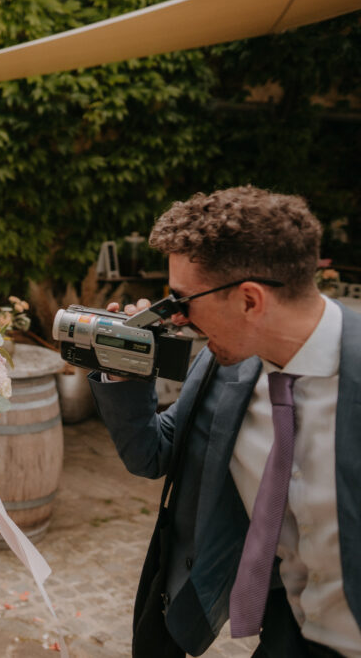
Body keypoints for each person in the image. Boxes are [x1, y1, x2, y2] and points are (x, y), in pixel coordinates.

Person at [90, 186, 361, 657]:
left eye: (182, 301)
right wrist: (125, 368)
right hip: (290, 630)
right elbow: (155, 452)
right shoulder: (226, 362)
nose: (177, 318)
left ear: (250, 300)